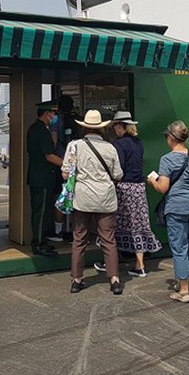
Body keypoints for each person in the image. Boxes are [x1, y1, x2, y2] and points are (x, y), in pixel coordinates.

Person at [147, 120, 189, 303]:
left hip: (177, 207)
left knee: (179, 248)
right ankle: (184, 280)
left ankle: (184, 291)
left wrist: (152, 181)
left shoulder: (167, 159)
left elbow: (163, 188)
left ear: (171, 138)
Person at [62, 110, 125, 295]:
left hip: (82, 199)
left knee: (79, 239)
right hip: (106, 198)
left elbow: (65, 173)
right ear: (102, 128)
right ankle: (114, 280)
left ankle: (76, 279)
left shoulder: (74, 146)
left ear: (84, 127)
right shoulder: (110, 148)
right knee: (108, 239)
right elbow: (118, 174)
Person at [106, 112, 162, 277]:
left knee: (114, 225)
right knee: (138, 225)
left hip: (124, 188)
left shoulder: (119, 144)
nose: (114, 129)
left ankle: (110, 261)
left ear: (120, 126)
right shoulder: (139, 143)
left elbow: (118, 168)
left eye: (116, 125)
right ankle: (140, 265)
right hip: (138, 188)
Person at [27, 102, 62, 256]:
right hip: (41, 177)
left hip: (40, 177)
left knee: (42, 211)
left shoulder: (36, 129)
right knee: (40, 212)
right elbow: (49, 156)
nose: (54, 117)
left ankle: (42, 241)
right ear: (47, 113)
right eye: (53, 114)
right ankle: (39, 244)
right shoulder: (41, 131)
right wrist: (67, 164)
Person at [50, 95, 80, 242]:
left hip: (61, 163)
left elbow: (54, 141)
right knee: (75, 198)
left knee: (60, 197)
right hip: (77, 164)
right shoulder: (77, 119)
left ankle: (58, 231)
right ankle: (76, 231)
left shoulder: (55, 120)